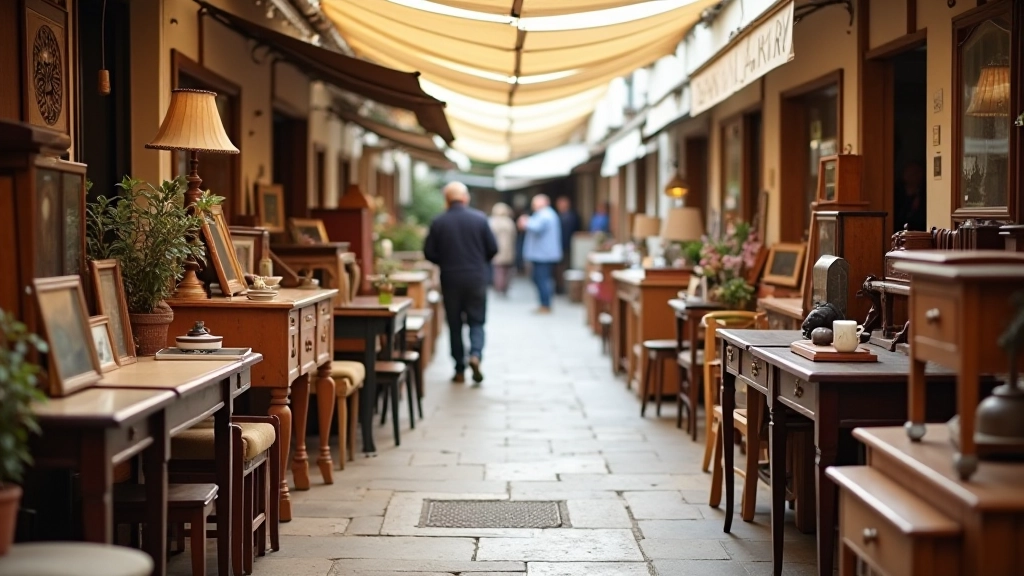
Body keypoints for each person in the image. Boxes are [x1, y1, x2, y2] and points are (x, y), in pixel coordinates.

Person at [424, 182, 497, 385]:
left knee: (454, 324)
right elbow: (493, 248)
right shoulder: (480, 219)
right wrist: (478, 261)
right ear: (465, 198)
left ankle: (459, 368)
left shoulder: (439, 222)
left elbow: (429, 252)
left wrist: (445, 261)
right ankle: (475, 354)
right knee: (477, 321)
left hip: (450, 278)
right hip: (476, 277)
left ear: (447, 200)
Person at [517, 194, 562, 314]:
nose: (533, 205)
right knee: (541, 279)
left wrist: (525, 222)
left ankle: (545, 304)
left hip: (543, 255)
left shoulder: (545, 215)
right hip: (542, 254)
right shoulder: (545, 214)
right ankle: (544, 303)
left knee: (542, 279)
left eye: (535, 203)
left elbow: (535, 227)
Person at [488, 202, 517, 296]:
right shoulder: (509, 222)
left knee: (498, 270)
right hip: (509, 249)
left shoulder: (493, 222)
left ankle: (499, 287)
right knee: (506, 270)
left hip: (497, 248)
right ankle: (505, 287)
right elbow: (514, 236)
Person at [555, 196, 580, 295]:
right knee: (559, 268)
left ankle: (564, 288)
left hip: (566, 245)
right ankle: (560, 287)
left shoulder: (571, 216)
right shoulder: (559, 216)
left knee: (564, 267)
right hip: (560, 245)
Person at [893, 161, 926, 233]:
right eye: (910, 173)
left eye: (916, 173)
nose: (914, 176)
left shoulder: (924, 195)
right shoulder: (897, 195)